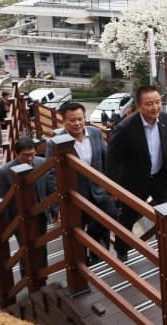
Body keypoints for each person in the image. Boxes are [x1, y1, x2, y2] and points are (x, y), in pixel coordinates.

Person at [106, 85, 167, 262]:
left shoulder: (165, 119)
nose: (155, 107)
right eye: (149, 104)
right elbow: (113, 159)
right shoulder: (125, 128)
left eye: (158, 102)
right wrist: (112, 187)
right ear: (138, 106)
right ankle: (121, 252)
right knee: (128, 218)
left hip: (160, 176)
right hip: (134, 181)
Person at [47, 102, 117, 264]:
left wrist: (112, 186)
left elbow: (106, 160)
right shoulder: (56, 142)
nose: (77, 123)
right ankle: (85, 262)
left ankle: (99, 255)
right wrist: (57, 206)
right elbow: (51, 175)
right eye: (72, 120)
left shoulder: (95, 133)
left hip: (99, 191)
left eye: (80, 119)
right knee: (78, 229)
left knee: (110, 217)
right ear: (63, 121)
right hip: (76, 195)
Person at [0, 138, 55, 273]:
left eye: (32, 154)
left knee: (42, 246)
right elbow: (2, 199)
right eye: (26, 155)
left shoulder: (41, 163)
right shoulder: (5, 171)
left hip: (40, 213)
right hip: (19, 217)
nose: (30, 158)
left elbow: (48, 188)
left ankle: (43, 275)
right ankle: (27, 276)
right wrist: (7, 226)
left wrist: (54, 210)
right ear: (16, 154)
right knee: (25, 248)